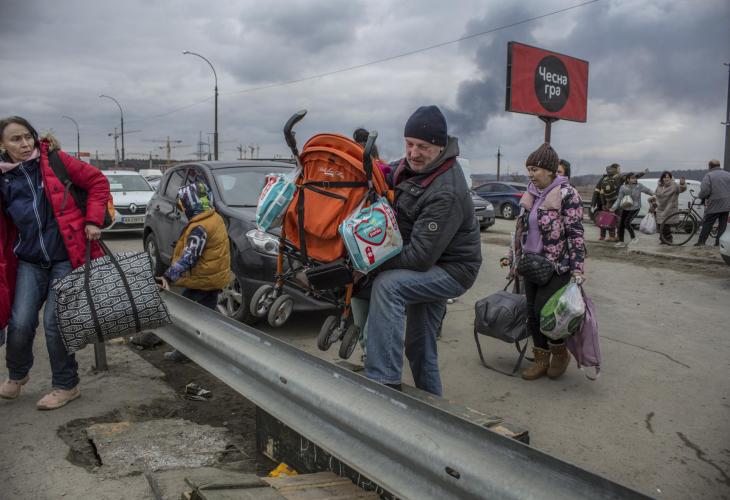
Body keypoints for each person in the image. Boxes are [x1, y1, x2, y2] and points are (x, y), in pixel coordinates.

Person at [357, 105, 482, 396]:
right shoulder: (412, 167)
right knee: (420, 345)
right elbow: (385, 179)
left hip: (452, 269)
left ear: (440, 147)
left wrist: (369, 262)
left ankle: (383, 382)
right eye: (409, 144)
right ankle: (433, 407)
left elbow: (418, 257)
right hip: (432, 261)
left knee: (388, 285)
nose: (414, 153)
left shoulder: (446, 190)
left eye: (422, 147)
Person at [0, 116, 110, 410]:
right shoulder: (4, 178)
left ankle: (66, 385)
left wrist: (93, 220)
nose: (25, 144)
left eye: (28, 136)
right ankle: (17, 374)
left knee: (55, 322)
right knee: (20, 322)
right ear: (2, 145)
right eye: (16, 139)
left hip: (66, 257)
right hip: (29, 260)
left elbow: (98, 182)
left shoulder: (54, 161)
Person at [500, 143, 585, 381]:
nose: (530, 174)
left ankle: (560, 354)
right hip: (531, 264)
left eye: (534, 169)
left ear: (549, 170)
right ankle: (540, 359)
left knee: (547, 313)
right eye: (528, 169)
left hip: (556, 265)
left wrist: (578, 268)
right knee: (532, 314)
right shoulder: (531, 193)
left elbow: (576, 233)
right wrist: (514, 259)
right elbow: (520, 229)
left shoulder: (567, 194)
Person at [156, 181, 230, 361]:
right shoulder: (215, 217)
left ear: (192, 203)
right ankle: (208, 348)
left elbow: (189, 257)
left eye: (184, 204)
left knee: (186, 316)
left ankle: (183, 352)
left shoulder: (199, 227)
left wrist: (168, 276)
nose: (183, 209)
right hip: (213, 279)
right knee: (206, 316)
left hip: (201, 281)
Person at [610, 172, 655, 247]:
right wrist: (613, 207)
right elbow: (619, 199)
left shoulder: (639, 186)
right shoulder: (623, 187)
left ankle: (634, 238)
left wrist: (656, 194)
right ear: (628, 179)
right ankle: (621, 242)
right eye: (632, 178)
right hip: (625, 207)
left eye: (635, 178)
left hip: (635, 208)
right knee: (621, 224)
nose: (634, 179)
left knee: (627, 223)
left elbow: (648, 191)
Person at [695, 159, 730, 246]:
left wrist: (701, 196)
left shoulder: (709, 175)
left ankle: (701, 241)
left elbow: (705, 190)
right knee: (722, 225)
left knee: (708, 222)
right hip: (727, 204)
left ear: (709, 166)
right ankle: (719, 243)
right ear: (719, 165)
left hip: (714, 203)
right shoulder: (728, 174)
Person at [653, 171, 686, 244]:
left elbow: (681, 189)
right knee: (660, 225)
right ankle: (663, 239)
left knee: (665, 225)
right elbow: (656, 195)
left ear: (670, 178)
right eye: (665, 177)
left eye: (668, 177)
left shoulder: (674, 185)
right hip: (660, 207)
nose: (666, 179)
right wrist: (654, 203)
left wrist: (682, 184)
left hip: (669, 207)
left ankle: (669, 239)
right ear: (662, 178)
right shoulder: (659, 186)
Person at [596, 164, 622, 241]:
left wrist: (603, 203)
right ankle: (615, 236)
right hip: (616, 202)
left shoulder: (605, 179)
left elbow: (602, 193)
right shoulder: (618, 178)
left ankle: (608, 236)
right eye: (619, 168)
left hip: (609, 202)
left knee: (609, 218)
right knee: (615, 219)